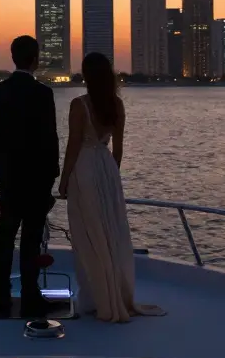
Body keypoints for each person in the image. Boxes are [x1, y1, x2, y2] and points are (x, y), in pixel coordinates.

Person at [58, 52, 164, 322]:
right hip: (106, 168)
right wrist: (110, 175)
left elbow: (72, 146)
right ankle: (114, 292)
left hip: (85, 168)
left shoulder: (79, 105)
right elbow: (118, 149)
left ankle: (96, 298)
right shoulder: (116, 104)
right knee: (110, 232)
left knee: (88, 234)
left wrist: (64, 178)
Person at [0, 35, 59, 318]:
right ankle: (30, 295)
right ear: (35, 58)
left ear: (13, 57)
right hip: (37, 180)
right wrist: (52, 178)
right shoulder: (43, 94)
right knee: (30, 239)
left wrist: (2, 166)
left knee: (5, 236)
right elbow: (49, 140)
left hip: (9, 177)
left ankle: (3, 296)